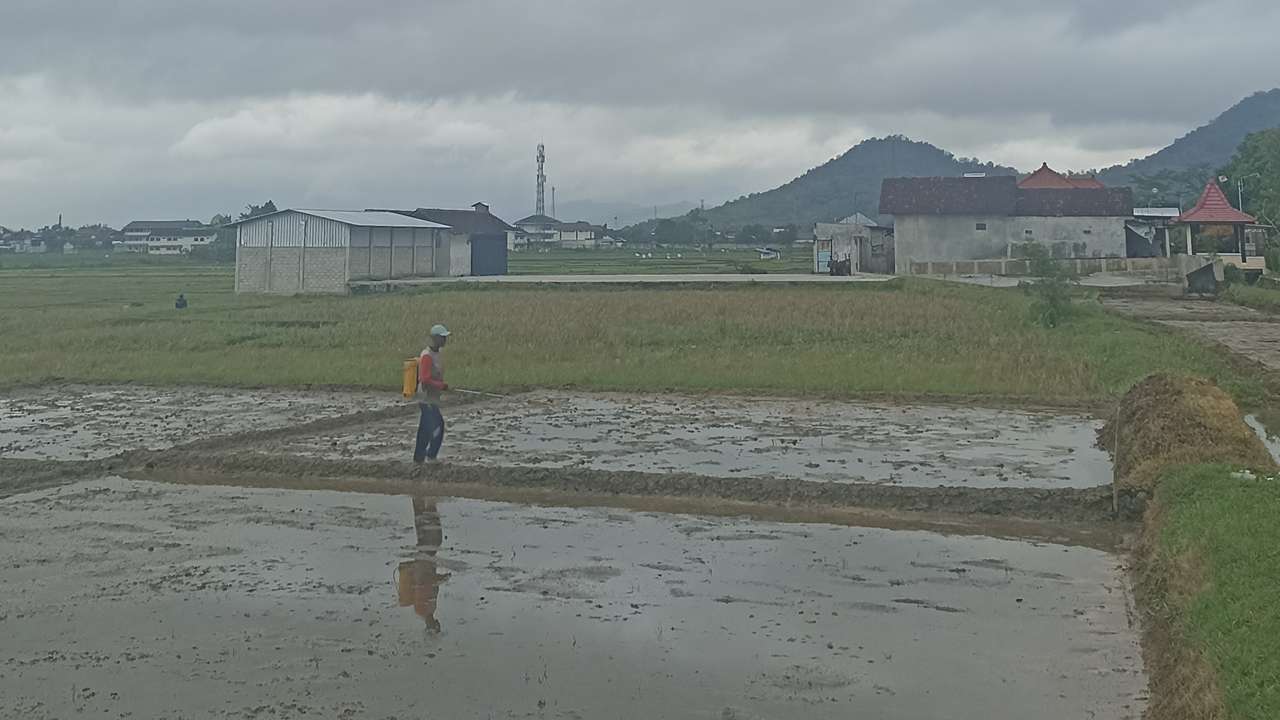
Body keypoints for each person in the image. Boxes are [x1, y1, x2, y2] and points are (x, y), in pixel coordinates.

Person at [413, 324, 450, 463]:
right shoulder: (427, 356)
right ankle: (431, 456)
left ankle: (418, 459)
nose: (445, 340)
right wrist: (440, 385)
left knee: (424, 430)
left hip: (432, 397)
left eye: (445, 337)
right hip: (426, 398)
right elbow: (424, 378)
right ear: (434, 338)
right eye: (442, 337)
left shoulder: (436, 354)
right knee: (437, 426)